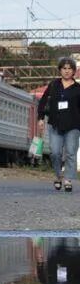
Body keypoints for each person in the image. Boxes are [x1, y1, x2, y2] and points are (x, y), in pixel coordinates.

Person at [37, 58, 80, 191]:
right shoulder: (53, 85)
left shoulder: (78, 88)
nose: (67, 71)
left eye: (69, 69)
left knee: (71, 152)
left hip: (73, 125)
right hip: (55, 123)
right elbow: (43, 101)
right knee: (55, 152)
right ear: (60, 70)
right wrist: (40, 118)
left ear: (74, 71)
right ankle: (58, 175)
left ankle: (68, 179)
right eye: (64, 68)